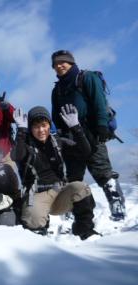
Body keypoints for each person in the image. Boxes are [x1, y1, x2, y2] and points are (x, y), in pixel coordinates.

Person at [51, 50, 126, 221]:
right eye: (55, 64)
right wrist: (57, 134)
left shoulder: (87, 78)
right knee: (74, 177)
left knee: (103, 172)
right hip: (70, 138)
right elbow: (56, 114)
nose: (59, 65)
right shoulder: (57, 89)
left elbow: (99, 102)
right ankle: (77, 212)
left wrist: (101, 126)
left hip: (92, 134)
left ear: (71, 62)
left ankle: (117, 208)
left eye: (63, 62)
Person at [11, 105, 100, 240]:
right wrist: (21, 131)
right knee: (33, 220)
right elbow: (16, 156)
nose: (41, 130)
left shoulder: (57, 142)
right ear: (30, 128)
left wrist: (76, 127)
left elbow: (85, 152)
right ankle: (41, 231)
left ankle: (84, 230)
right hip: (37, 195)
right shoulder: (25, 144)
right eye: (36, 126)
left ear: (49, 125)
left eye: (44, 125)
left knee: (81, 188)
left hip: (59, 193)